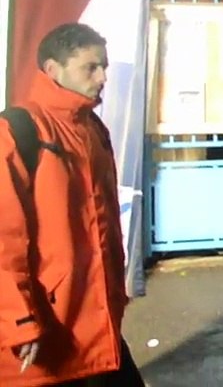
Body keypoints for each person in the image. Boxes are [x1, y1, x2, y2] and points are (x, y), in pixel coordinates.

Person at [0, 23, 143, 386]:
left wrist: (113, 297)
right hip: (46, 331)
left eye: (105, 66)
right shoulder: (17, 131)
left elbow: (104, 226)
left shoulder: (93, 130)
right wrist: (18, 322)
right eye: (91, 67)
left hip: (93, 322)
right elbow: (5, 240)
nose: (103, 76)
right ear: (53, 70)